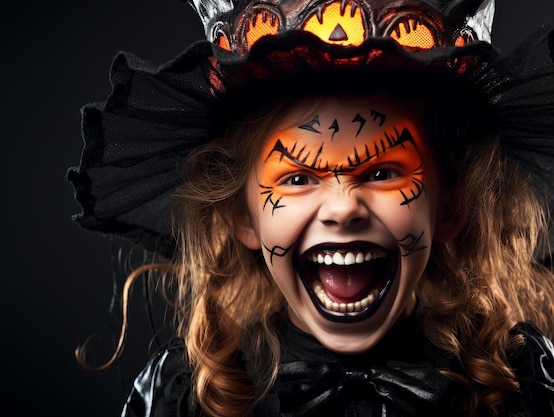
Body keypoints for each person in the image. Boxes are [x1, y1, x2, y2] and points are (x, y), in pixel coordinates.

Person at [68, 0, 554, 415]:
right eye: (298, 178)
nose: (343, 209)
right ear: (242, 214)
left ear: (450, 204)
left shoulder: (526, 385)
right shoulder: (181, 396)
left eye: (382, 172)